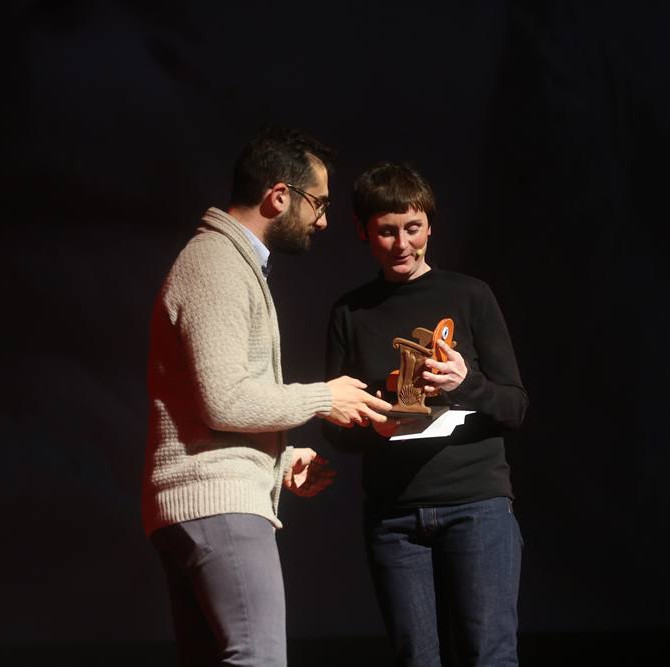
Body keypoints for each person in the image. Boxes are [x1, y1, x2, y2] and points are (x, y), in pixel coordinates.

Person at [142, 126, 391, 667]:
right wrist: (322, 398)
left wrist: (279, 459)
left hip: (203, 499)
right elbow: (224, 401)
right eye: (318, 203)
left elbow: (211, 401)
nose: (323, 220)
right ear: (280, 196)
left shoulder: (226, 261)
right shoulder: (217, 263)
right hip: (218, 503)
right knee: (257, 657)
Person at [323, 163, 528, 666]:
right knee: (416, 658)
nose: (401, 243)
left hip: (475, 505)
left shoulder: (469, 296)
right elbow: (338, 428)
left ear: (430, 225)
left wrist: (467, 385)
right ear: (363, 231)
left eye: (412, 228)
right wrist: (369, 424)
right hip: (395, 514)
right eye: (386, 231)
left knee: (488, 655)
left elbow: (514, 407)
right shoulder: (350, 313)